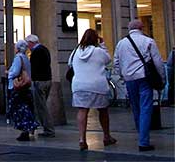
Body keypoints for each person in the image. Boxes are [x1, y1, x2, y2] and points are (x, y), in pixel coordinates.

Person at [113, 19, 165, 152]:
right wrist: (162, 78)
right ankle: (143, 141)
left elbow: (116, 62)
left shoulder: (121, 43)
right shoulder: (148, 41)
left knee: (136, 108)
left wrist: (122, 76)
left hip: (129, 79)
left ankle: (140, 132)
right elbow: (158, 61)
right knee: (146, 108)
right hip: (144, 78)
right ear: (142, 28)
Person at [68, 29, 116, 151]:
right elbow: (108, 59)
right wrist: (103, 44)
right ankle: (106, 136)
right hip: (97, 85)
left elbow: (70, 64)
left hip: (79, 85)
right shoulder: (99, 51)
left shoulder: (75, 52)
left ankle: (82, 139)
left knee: (82, 111)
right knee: (103, 111)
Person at [7, 40, 39, 141]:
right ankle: (29, 127)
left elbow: (16, 72)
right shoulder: (25, 58)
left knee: (20, 108)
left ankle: (25, 129)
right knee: (26, 107)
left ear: (17, 48)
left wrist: (9, 73)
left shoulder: (18, 58)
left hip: (18, 87)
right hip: (26, 87)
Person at [26, 33, 55, 137]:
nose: (27, 46)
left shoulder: (36, 52)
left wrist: (33, 80)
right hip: (47, 79)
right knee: (43, 105)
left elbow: (35, 68)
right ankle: (46, 127)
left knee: (41, 107)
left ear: (31, 43)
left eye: (28, 44)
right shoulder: (45, 49)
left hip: (39, 81)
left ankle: (48, 129)